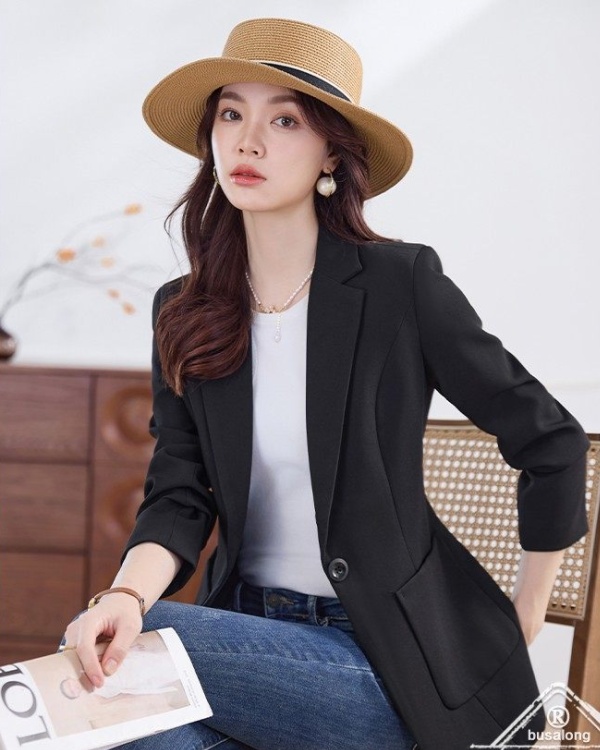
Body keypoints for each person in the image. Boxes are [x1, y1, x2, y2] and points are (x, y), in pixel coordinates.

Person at [62, 18, 590, 750]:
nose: (248, 142)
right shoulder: (184, 311)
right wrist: (123, 594)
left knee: (138, 648)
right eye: (231, 115)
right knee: (125, 702)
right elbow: (179, 494)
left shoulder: (400, 286)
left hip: (385, 664)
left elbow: (551, 438)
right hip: (247, 638)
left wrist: (526, 610)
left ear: (331, 153)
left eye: (284, 121)